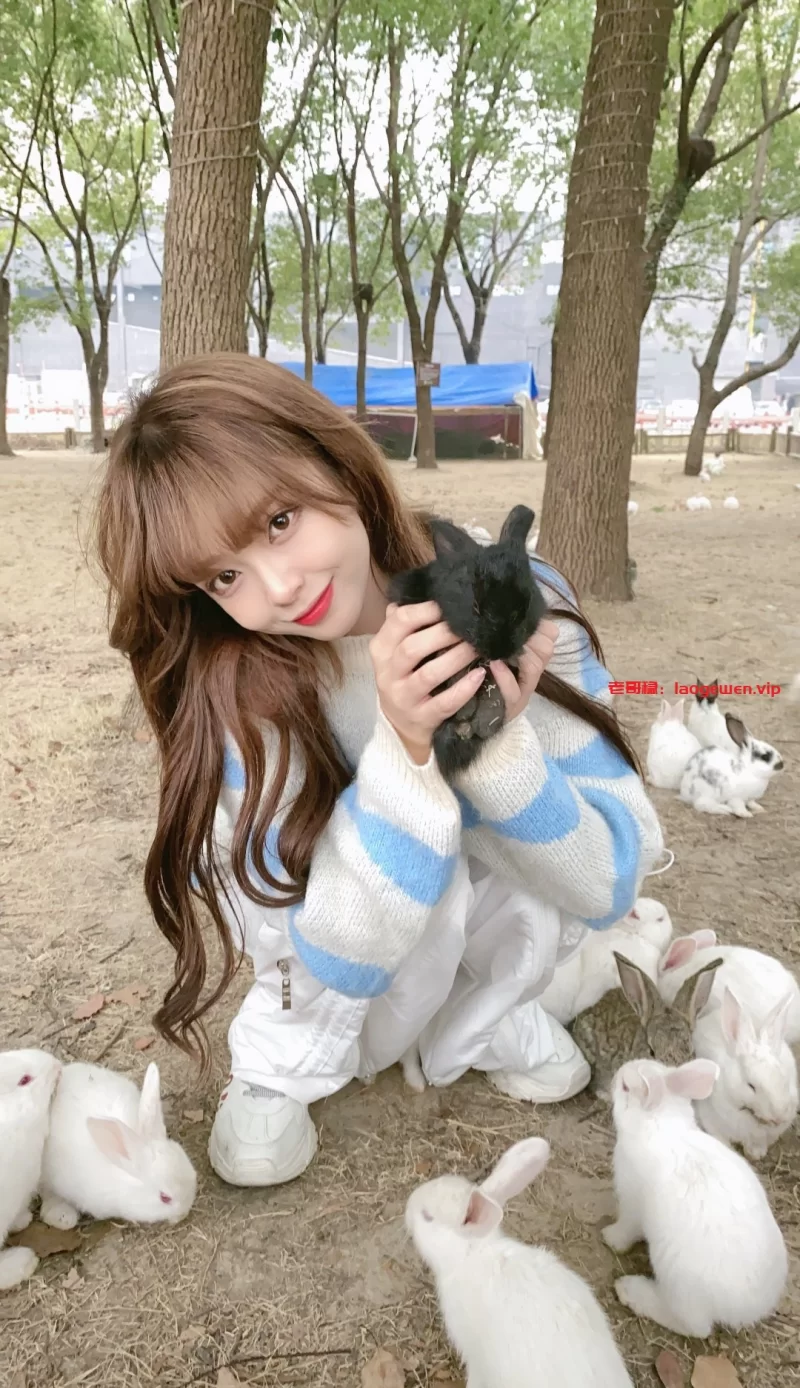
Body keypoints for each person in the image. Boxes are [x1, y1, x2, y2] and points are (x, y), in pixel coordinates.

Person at [94, 352, 664, 1189]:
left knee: (494, 876)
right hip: (324, 947)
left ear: (335, 459)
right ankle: (283, 1061)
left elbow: (608, 880)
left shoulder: (514, 597)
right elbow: (327, 945)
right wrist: (404, 746)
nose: (279, 588)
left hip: (481, 911)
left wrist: (492, 741)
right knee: (351, 890)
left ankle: (480, 1006)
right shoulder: (245, 694)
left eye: (279, 520)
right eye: (224, 575)